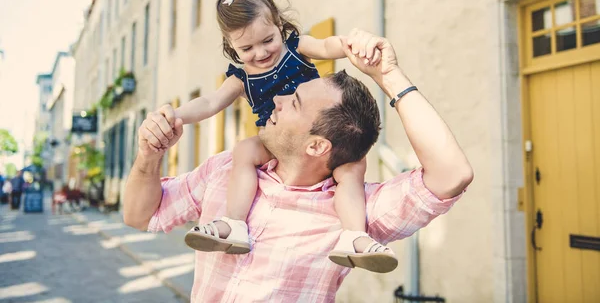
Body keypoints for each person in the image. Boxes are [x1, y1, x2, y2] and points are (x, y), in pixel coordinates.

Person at [123, 30, 473, 302]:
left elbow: (452, 174)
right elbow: (141, 215)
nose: (275, 98)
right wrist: (149, 155)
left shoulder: (354, 211)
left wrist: (389, 75)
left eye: (294, 102)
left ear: (318, 145)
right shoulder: (226, 170)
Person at [160, 0, 394, 272]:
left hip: (318, 138)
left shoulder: (296, 48)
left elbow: (326, 46)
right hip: (277, 143)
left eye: (268, 40)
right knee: (244, 150)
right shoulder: (241, 78)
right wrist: (177, 114)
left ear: (279, 25)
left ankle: (354, 236)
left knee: (353, 167)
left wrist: (352, 46)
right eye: (246, 48)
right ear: (230, 45)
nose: (260, 53)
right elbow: (210, 102)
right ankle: (234, 223)